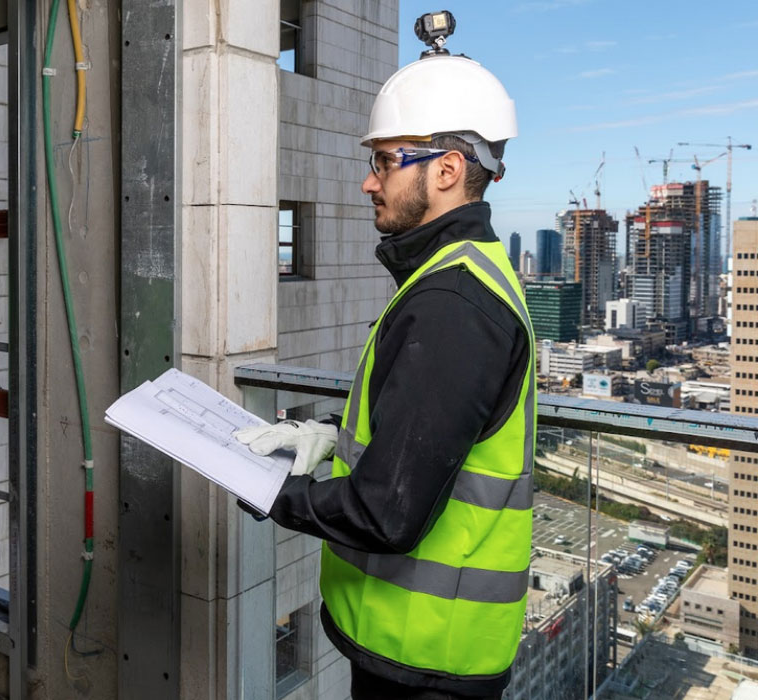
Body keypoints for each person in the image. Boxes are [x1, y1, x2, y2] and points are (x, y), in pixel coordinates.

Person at [235, 12, 535, 700]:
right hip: (411, 641)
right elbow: (419, 442)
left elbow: (387, 512)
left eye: (385, 161)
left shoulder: (453, 304)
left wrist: (269, 490)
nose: (370, 182)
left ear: (449, 170)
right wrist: (323, 440)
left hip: (428, 659)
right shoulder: (455, 278)